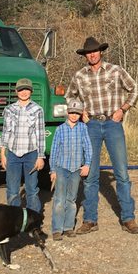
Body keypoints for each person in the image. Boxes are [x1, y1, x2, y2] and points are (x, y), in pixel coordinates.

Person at [65, 35, 138, 234]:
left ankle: (128, 218)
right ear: (85, 55)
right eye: (88, 52)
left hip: (112, 124)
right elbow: (69, 96)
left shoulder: (115, 71)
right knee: (90, 175)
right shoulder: (80, 76)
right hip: (91, 126)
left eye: (95, 51)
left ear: (101, 52)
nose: (92, 54)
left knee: (122, 173)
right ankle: (90, 220)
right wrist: (81, 112)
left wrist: (123, 109)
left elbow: (134, 88)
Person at [0, 78, 46, 213]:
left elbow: (40, 135)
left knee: (32, 189)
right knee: (12, 190)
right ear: (16, 92)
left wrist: (40, 156)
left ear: (31, 91)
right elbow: (5, 132)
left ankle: (34, 220)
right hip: (13, 154)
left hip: (31, 154)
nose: (24, 92)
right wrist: (3, 154)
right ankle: (13, 220)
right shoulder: (9, 109)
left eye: (26, 89)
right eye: (21, 90)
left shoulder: (38, 109)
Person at [48, 101, 93, 239]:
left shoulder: (83, 128)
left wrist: (87, 164)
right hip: (62, 168)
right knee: (59, 199)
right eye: (72, 112)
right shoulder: (60, 129)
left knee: (72, 199)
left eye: (77, 113)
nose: (74, 115)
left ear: (81, 115)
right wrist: (53, 170)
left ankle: (68, 227)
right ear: (67, 113)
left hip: (76, 169)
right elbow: (54, 150)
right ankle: (57, 229)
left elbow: (88, 147)